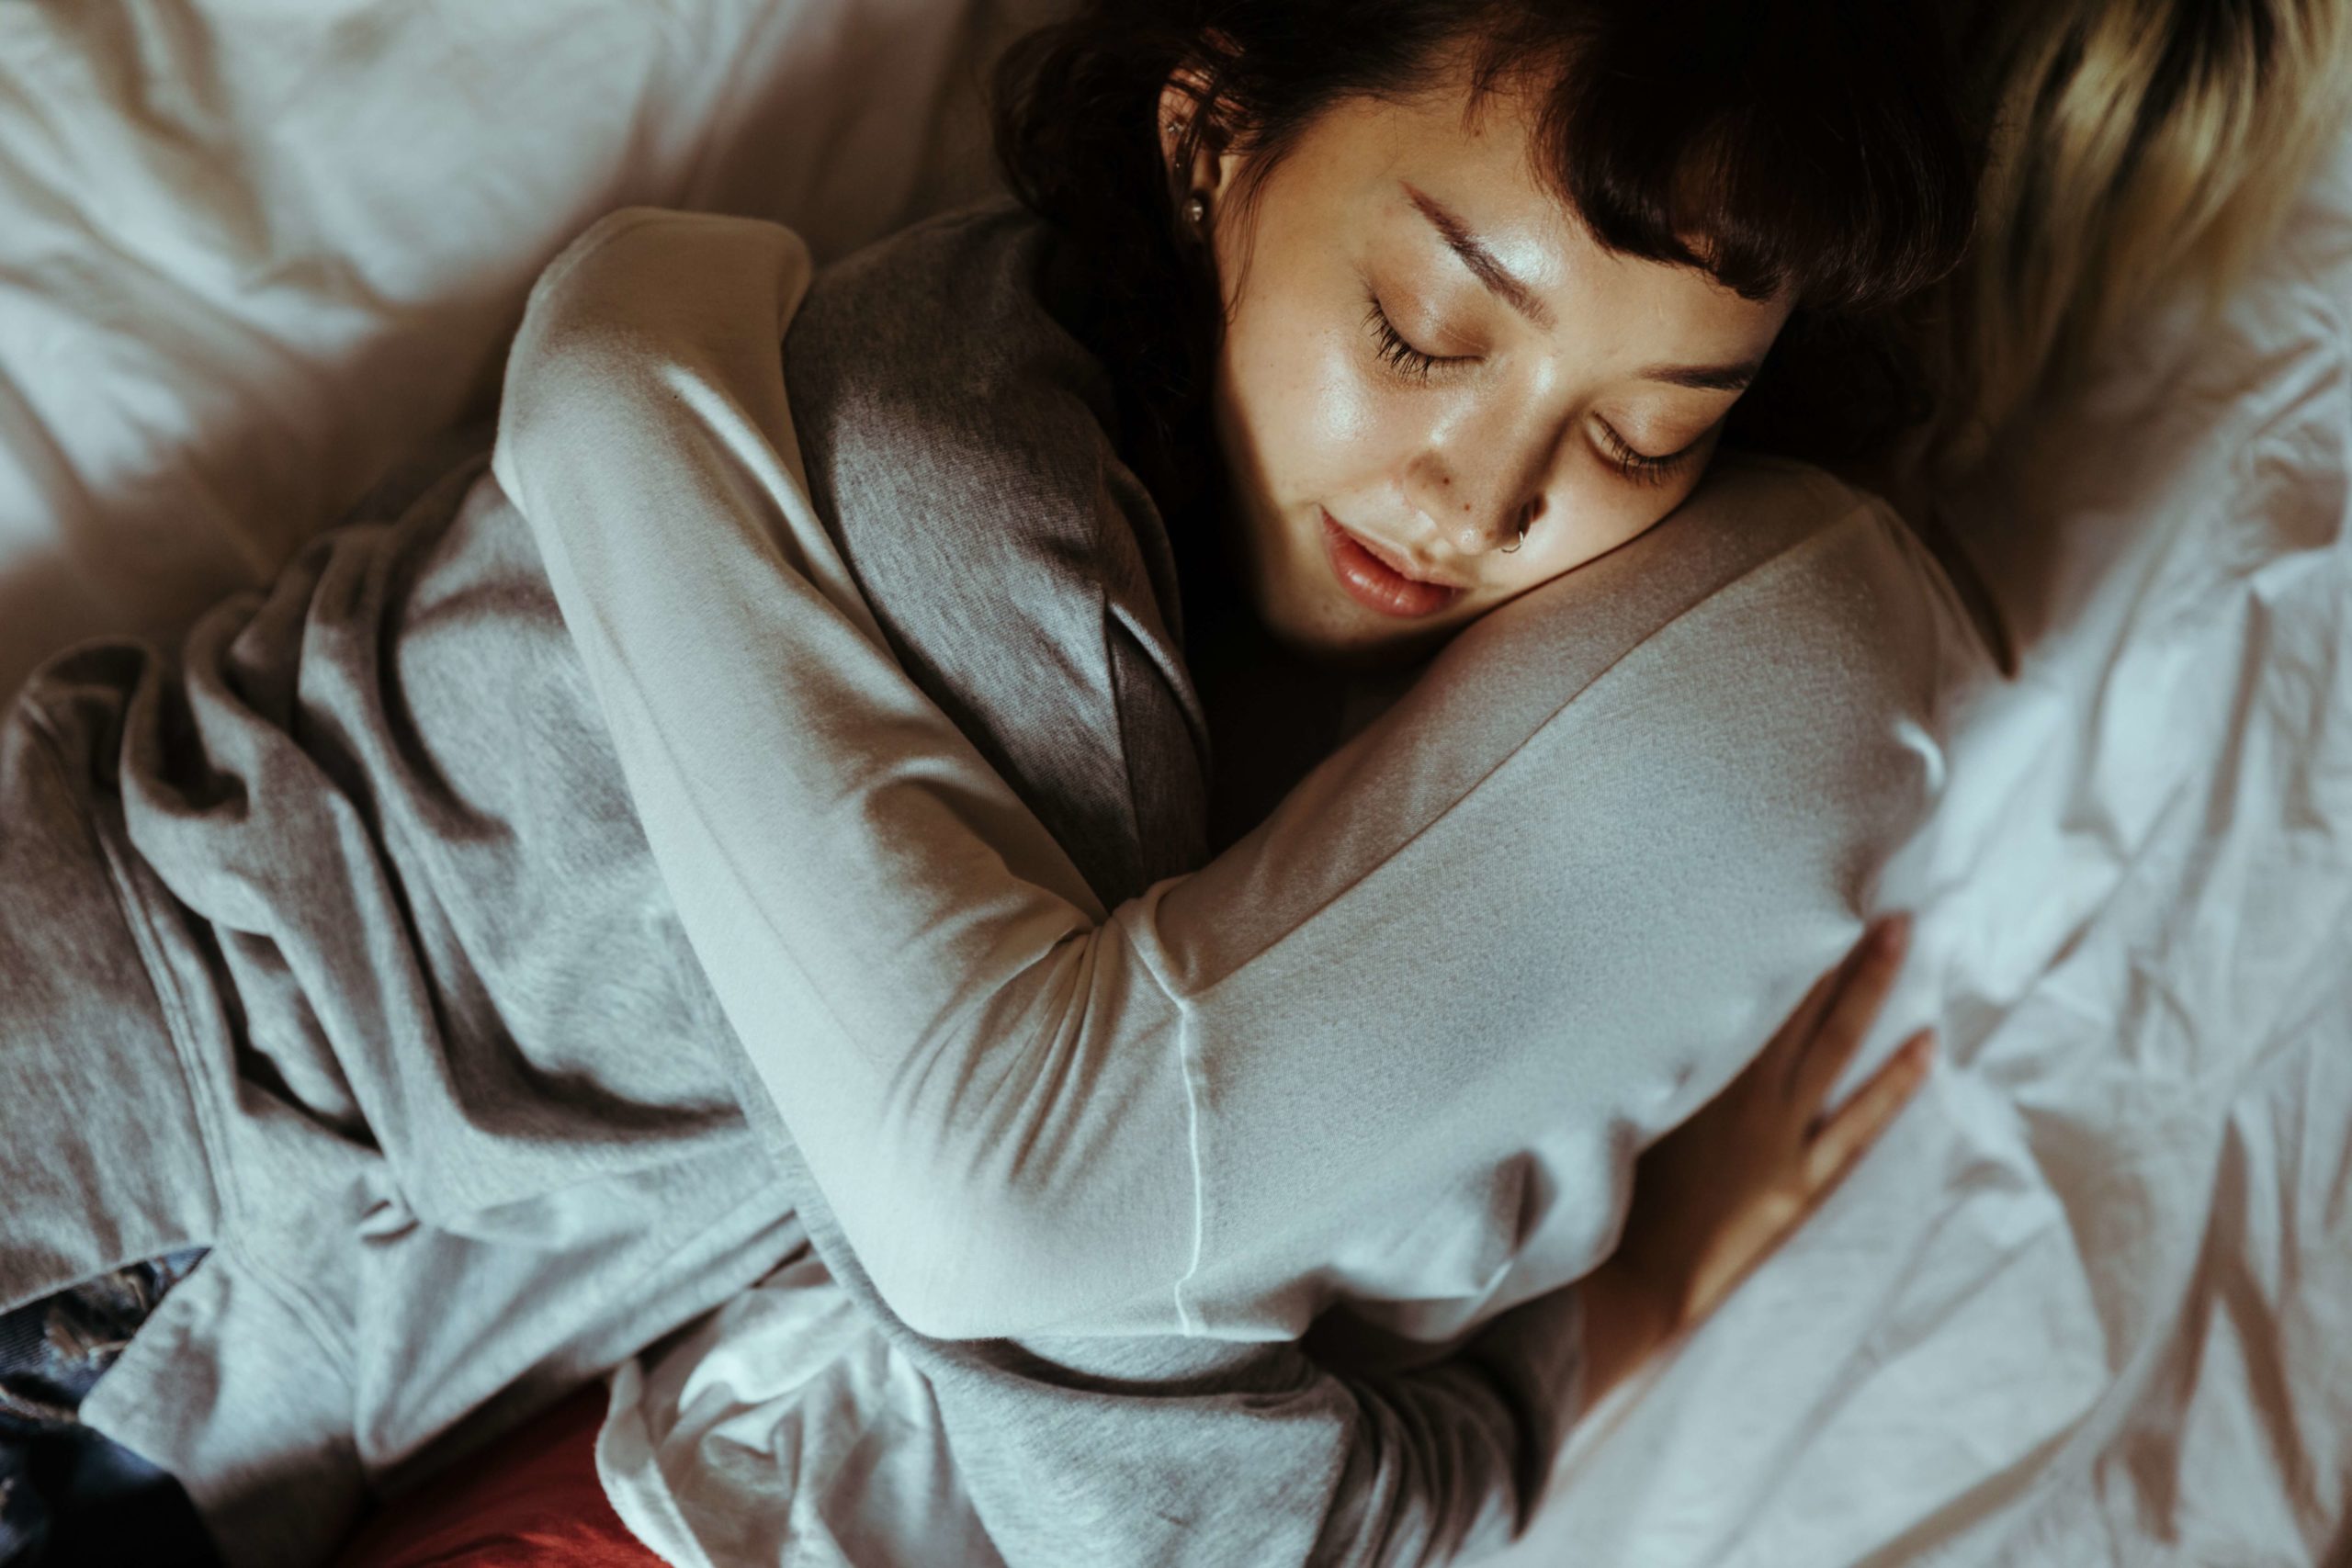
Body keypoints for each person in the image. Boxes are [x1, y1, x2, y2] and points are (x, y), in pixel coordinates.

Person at [0, 0, 1989, 1562]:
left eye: (1639, 436)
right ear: (1207, 134)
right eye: (1421, 327)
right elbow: (1112, 1430)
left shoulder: (1225, 639)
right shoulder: (969, 540)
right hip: (129, 1128)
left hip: (277, 1367)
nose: (1477, 494)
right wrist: (1579, 1354)